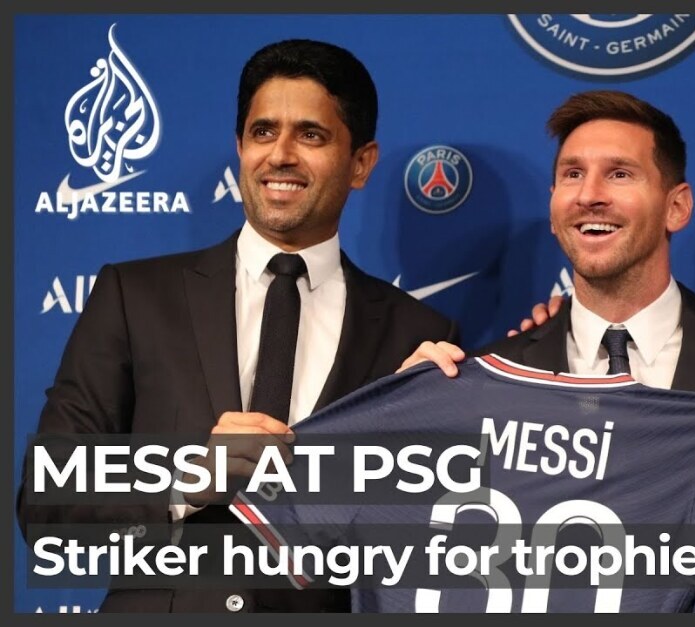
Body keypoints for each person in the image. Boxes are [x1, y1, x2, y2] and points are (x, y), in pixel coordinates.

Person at [17, 39, 458, 612]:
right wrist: (185, 482)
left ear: (361, 163)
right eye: (263, 131)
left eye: (311, 135)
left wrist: (415, 450)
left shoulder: (417, 337)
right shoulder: (134, 297)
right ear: (240, 147)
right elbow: (46, 508)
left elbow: (433, 554)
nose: (281, 155)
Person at [399, 90, 695, 518]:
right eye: (573, 174)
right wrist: (400, 430)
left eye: (619, 174)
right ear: (553, 207)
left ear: (676, 207)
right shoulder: (491, 378)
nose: (588, 194)